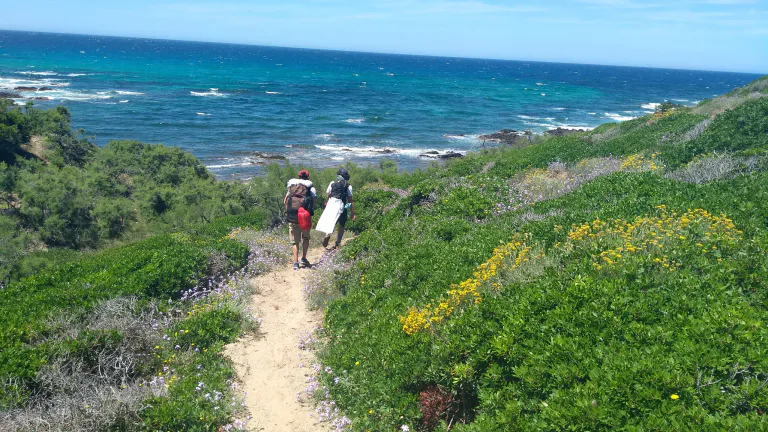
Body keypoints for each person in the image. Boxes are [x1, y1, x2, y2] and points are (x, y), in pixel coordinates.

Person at [284, 169, 316, 270]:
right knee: (305, 238)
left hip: (292, 218)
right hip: (304, 218)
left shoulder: (292, 188)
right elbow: (313, 202)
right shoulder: (310, 188)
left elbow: (285, 201)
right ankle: (304, 258)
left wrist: (289, 212)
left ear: (298, 177)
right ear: (308, 177)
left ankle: (295, 262)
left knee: (294, 242)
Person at [317, 168, 355, 249]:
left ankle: (327, 235)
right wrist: (352, 212)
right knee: (341, 224)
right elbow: (350, 200)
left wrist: (328, 204)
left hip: (331, 204)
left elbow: (328, 194)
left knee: (332, 221)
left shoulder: (332, 183)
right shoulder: (348, 186)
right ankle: (337, 243)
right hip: (342, 205)